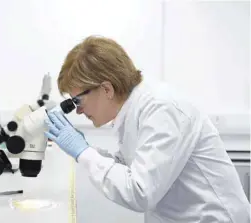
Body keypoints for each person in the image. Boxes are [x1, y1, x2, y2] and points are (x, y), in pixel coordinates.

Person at [44, 36, 250, 223]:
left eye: (77, 101)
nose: (78, 111)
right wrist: (86, 150)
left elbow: (140, 192)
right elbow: (131, 168)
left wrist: (84, 152)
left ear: (107, 89)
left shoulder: (162, 109)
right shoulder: (134, 110)